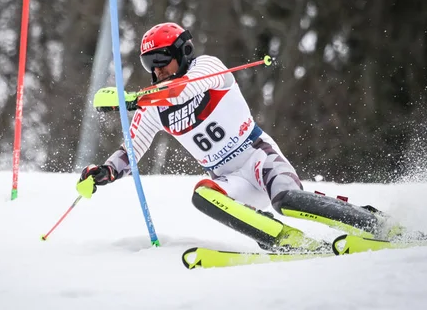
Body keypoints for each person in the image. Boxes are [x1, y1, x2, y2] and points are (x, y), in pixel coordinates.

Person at [77, 22, 395, 252]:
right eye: (150, 65)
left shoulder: (208, 69)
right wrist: (104, 172)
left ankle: (373, 223)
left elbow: (180, 91)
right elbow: (132, 150)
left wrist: (133, 98)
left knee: (288, 201)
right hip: (229, 179)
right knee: (202, 194)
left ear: (182, 52)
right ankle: (284, 242)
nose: (157, 70)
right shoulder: (154, 108)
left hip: (259, 158)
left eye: (162, 61)